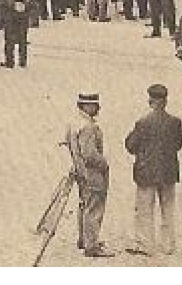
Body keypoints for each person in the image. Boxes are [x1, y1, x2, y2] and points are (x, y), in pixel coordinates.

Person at [123, 83, 182, 258]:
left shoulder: (143, 122)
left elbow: (131, 145)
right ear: (165, 101)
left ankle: (145, 243)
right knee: (168, 209)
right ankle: (168, 244)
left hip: (146, 172)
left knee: (144, 210)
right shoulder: (175, 122)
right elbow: (179, 144)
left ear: (151, 100)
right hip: (168, 171)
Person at [66, 92, 112, 258]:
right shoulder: (88, 127)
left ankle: (84, 239)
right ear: (85, 106)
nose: (96, 108)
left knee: (84, 204)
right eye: (93, 105)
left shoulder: (74, 122)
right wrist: (104, 163)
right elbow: (90, 154)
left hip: (80, 171)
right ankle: (91, 245)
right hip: (92, 173)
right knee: (94, 207)